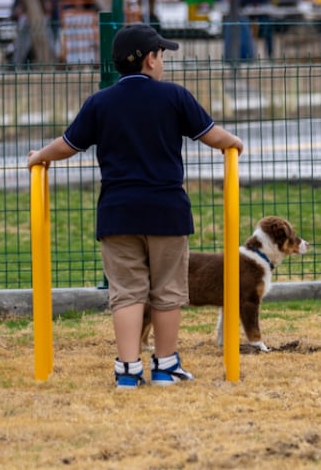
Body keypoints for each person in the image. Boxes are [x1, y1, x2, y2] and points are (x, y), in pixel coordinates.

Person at [26, 24, 245, 389]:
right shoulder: (175, 97)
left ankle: (127, 370)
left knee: (126, 292)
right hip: (167, 210)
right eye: (160, 55)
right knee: (168, 291)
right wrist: (234, 142)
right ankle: (165, 366)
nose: (162, 63)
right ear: (149, 59)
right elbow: (212, 135)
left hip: (117, 212)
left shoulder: (100, 102)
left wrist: (39, 158)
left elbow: (68, 144)